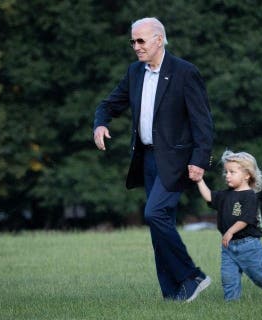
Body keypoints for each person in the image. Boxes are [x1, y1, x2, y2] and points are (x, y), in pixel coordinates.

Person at [92, 17, 214, 301]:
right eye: (133, 41)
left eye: (141, 40)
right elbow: (108, 104)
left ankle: (191, 276)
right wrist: (100, 123)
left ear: (159, 40)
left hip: (176, 161)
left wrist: (200, 159)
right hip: (146, 159)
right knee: (161, 225)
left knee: (153, 213)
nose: (136, 46)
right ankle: (172, 294)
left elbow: (203, 122)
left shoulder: (185, 72)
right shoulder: (135, 72)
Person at [196, 151, 262, 301]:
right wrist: (199, 180)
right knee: (228, 278)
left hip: (248, 245)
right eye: (226, 172)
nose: (227, 175)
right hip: (228, 247)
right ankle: (232, 304)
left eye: (232, 172)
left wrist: (230, 231)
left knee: (260, 276)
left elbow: (246, 218)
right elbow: (209, 196)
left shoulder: (250, 196)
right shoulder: (225, 195)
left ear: (247, 175)